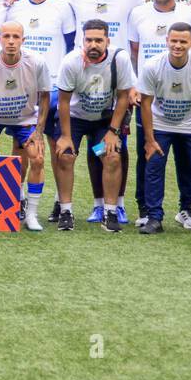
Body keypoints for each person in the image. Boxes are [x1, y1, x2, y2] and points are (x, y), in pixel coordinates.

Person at [64, 0, 144, 221]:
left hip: (117, 80)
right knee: (92, 146)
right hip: (85, 77)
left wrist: (132, 80)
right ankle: (99, 203)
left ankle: (117, 203)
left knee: (114, 146)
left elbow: (138, 33)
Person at [129, 0, 191, 228]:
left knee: (187, 156)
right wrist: (135, 85)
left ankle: (187, 208)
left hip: (184, 96)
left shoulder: (189, 14)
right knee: (147, 153)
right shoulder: (138, 13)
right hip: (149, 94)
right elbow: (134, 52)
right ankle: (146, 209)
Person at [7, 0, 75, 224]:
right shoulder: (15, 9)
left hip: (54, 86)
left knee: (56, 147)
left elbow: (70, 46)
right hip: (24, 88)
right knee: (21, 146)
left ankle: (61, 201)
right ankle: (20, 198)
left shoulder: (62, 7)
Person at [137, 24, 191, 237]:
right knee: (154, 167)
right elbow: (145, 104)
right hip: (161, 124)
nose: (178, 45)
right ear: (167, 41)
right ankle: (154, 218)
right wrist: (149, 139)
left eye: (183, 42)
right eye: (174, 41)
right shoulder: (152, 66)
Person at [55, 19, 137, 233]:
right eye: (89, 40)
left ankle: (109, 212)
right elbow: (63, 101)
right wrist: (65, 136)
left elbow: (122, 97)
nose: (93, 45)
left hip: (103, 121)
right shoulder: (71, 61)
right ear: (82, 40)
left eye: (98, 40)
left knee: (111, 155)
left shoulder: (119, 59)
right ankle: (65, 211)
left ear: (107, 40)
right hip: (75, 119)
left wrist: (112, 132)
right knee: (65, 154)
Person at [0, 22, 51, 230]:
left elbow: (45, 97)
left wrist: (38, 132)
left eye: (16, 37)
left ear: (23, 40)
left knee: (37, 158)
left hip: (24, 119)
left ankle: (31, 214)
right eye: (6, 36)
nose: (11, 41)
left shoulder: (36, 62)